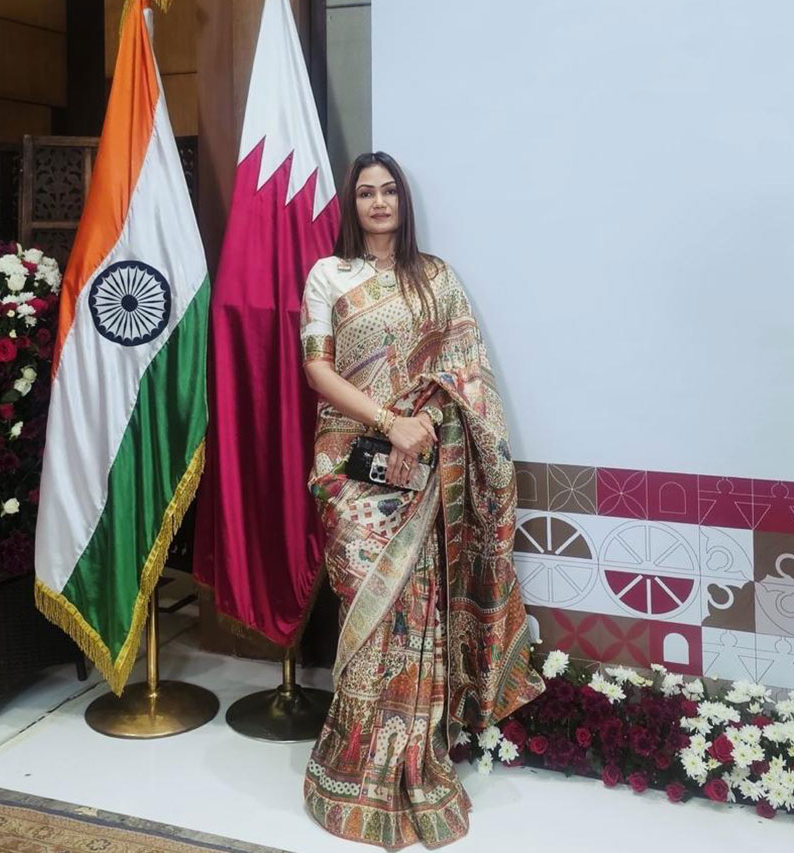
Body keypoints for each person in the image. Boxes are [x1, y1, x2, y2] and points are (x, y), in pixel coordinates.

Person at [299, 151, 545, 850]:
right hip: (350, 461)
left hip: (425, 460)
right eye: (365, 193)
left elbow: (466, 374)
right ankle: (350, 761)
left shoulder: (436, 278)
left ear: (403, 202)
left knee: (416, 614)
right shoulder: (329, 274)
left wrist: (427, 424)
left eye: (389, 191)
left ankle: (410, 757)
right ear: (352, 205)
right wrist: (389, 422)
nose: (378, 202)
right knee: (366, 599)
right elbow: (316, 367)